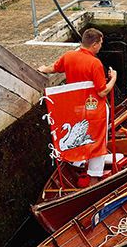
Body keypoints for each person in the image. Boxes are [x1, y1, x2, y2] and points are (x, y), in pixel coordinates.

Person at [36, 28, 121, 179]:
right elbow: (102, 91)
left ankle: (77, 163)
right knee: (98, 138)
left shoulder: (69, 56)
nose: (101, 46)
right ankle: (95, 175)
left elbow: (52, 68)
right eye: (100, 43)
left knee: (78, 137)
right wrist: (113, 78)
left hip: (75, 107)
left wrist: (42, 68)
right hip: (94, 107)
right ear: (94, 44)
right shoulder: (95, 63)